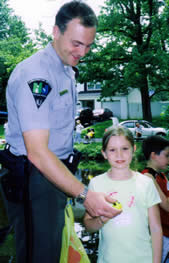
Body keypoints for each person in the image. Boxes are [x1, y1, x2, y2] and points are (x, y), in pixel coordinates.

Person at [1, 2, 120, 263]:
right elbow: (38, 153)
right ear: (56, 31)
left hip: (56, 175)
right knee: (39, 255)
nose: (83, 52)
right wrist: (86, 196)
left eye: (89, 45)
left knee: (55, 250)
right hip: (37, 179)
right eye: (76, 43)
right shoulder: (38, 75)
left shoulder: (65, 70)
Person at [83, 126, 162, 263]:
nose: (119, 155)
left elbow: (155, 229)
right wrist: (102, 219)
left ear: (134, 149)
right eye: (112, 150)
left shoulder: (146, 183)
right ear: (104, 153)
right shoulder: (96, 184)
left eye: (125, 149)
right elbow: (88, 226)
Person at [142, 135, 169, 263]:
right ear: (153, 155)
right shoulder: (148, 177)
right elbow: (167, 206)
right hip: (160, 235)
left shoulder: (162, 176)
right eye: (167, 155)